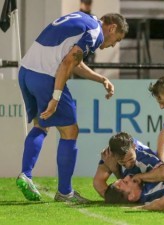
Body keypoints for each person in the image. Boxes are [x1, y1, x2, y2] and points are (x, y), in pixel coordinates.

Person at [16, 11, 128, 203]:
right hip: (46, 76)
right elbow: (68, 63)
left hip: (26, 72)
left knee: (41, 125)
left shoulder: (83, 18)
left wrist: (101, 79)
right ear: (112, 27)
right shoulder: (95, 32)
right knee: (70, 131)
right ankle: (65, 192)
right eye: (115, 41)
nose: (111, 45)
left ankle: (25, 174)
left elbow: (74, 61)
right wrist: (56, 97)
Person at [93, 132, 164, 202]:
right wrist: (120, 198)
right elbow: (98, 183)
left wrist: (140, 176)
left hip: (154, 166)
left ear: (134, 147)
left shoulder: (143, 158)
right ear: (114, 156)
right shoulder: (109, 155)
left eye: (131, 159)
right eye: (122, 162)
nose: (128, 165)